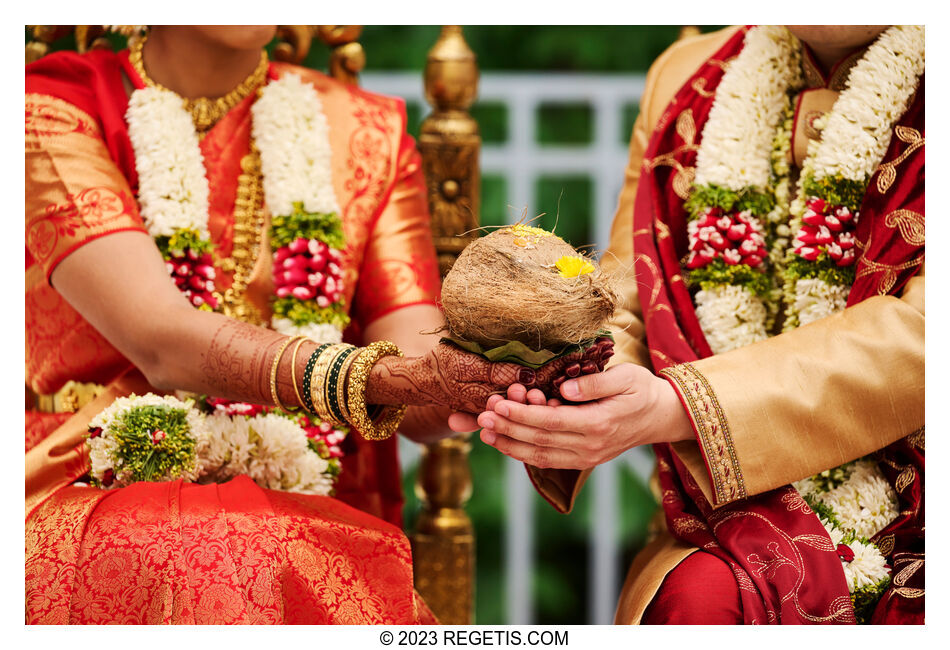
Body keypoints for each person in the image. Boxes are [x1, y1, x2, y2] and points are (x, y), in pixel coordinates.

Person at [25, 25, 545, 624]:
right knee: (233, 554)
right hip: (92, 475)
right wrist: (378, 380)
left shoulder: (364, 134)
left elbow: (420, 369)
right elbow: (160, 339)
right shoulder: (50, 107)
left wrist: (500, 368)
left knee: (272, 548)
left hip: (304, 491)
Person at [456, 25, 924, 624]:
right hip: (732, 515)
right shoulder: (684, 76)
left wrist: (680, 406)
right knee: (699, 602)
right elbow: (622, 303)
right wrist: (561, 387)